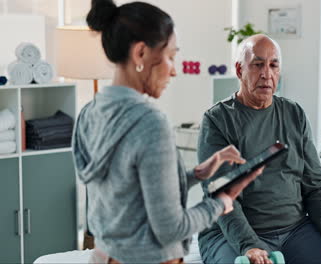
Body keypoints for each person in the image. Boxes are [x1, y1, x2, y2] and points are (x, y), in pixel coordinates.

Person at [72, 1, 263, 263]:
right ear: (140, 53)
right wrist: (222, 201)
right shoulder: (150, 122)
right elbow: (171, 228)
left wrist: (197, 174)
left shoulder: (89, 112)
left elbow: (128, 191)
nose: (173, 69)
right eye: (170, 56)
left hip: (105, 256)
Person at [197, 34, 321, 264]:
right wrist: (249, 245)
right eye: (258, 65)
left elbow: (316, 185)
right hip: (229, 234)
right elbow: (221, 194)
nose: (266, 73)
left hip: (295, 230)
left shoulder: (294, 114)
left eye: (273, 65)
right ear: (239, 70)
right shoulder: (218, 120)